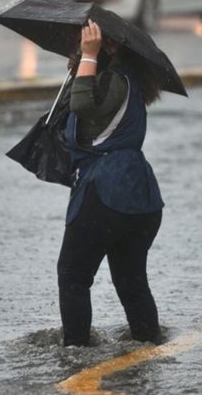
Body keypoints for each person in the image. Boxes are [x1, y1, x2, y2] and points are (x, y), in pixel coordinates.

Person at [56, 19, 165, 347]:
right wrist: (82, 64)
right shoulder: (128, 83)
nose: (80, 45)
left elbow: (82, 105)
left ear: (111, 46)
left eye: (88, 40)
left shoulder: (114, 82)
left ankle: (75, 353)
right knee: (132, 282)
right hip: (142, 197)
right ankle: (149, 346)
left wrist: (89, 56)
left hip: (106, 192)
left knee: (73, 276)